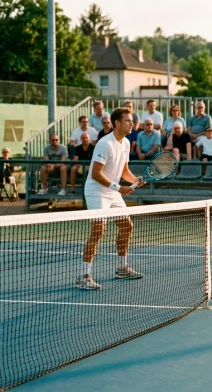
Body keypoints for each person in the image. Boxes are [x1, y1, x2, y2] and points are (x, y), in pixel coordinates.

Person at [78, 108, 145, 291]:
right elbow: (96, 173)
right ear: (116, 123)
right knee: (99, 230)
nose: (132, 124)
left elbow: (124, 171)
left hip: (112, 190)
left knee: (126, 225)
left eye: (132, 121)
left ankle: (122, 267)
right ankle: (84, 276)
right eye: (128, 121)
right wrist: (119, 188)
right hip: (96, 190)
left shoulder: (125, 143)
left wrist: (135, 180)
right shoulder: (104, 143)